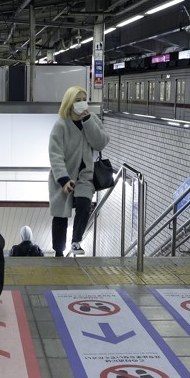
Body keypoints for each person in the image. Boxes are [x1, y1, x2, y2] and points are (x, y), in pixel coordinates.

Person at [48, 85, 109, 257]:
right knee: (60, 215)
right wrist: (63, 179)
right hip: (64, 177)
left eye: (84, 100)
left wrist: (88, 121)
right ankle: (58, 251)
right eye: (78, 100)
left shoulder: (92, 119)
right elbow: (55, 154)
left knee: (84, 204)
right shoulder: (61, 125)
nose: (82, 103)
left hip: (85, 176)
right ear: (69, 103)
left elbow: (101, 143)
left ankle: (76, 241)